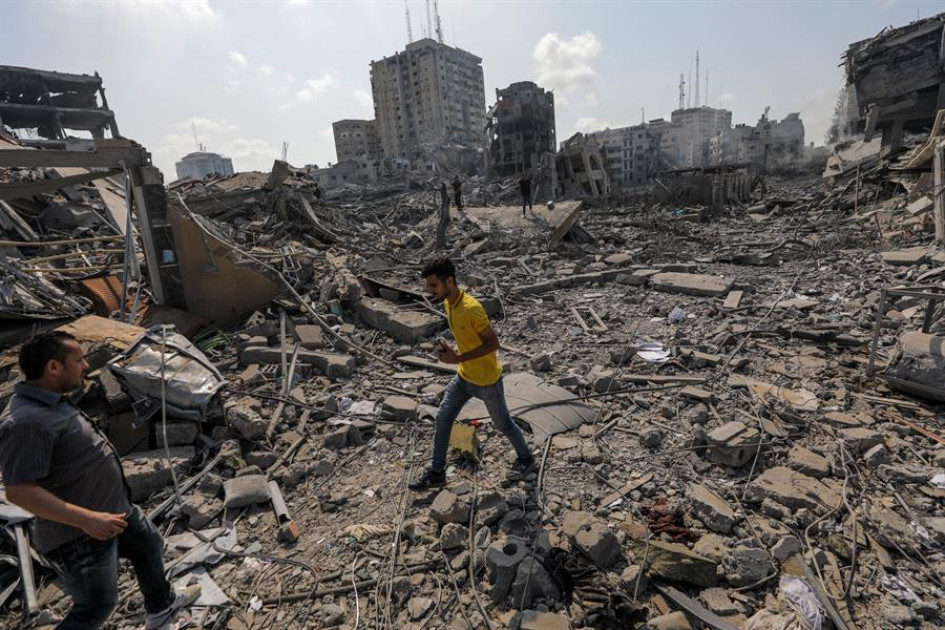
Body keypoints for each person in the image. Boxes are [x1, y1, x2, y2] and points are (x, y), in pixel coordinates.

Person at [0, 332, 200, 629]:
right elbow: (19, 492)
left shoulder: (50, 402)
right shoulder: (25, 422)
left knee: (147, 545)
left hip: (111, 511)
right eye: (78, 360)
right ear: (54, 368)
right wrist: (87, 520)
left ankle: (161, 608)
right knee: (96, 606)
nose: (85, 367)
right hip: (79, 534)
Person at [409, 259, 535, 491]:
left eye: (433, 285)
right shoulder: (449, 303)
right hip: (464, 377)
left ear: (450, 281)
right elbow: (469, 341)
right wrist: (453, 353)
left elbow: (493, 343)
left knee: (503, 424)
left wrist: (457, 358)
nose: (429, 291)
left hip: (487, 381)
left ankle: (526, 458)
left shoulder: (472, 308)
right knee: (443, 419)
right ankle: (437, 472)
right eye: (428, 285)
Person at [436, 181, 451, 249]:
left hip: (445, 219)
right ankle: (441, 244)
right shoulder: (445, 199)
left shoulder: (446, 203)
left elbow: (445, 214)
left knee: (441, 231)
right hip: (445, 218)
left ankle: (441, 244)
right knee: (440, 230)